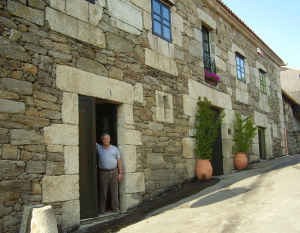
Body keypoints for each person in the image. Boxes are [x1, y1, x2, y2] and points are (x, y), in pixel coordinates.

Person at [96, 134, 123, 214]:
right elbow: (89, 141)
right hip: (103, 172)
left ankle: (115, 208)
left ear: (110, 139)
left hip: (114, 171)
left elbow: (119, 160)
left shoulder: (115, 149)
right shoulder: (99, 148)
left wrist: (120, 173)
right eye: (103, 139)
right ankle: (101, 209)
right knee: (103, 191)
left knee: (114, 191)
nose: (105, 140)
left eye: (107, 138)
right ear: (101, 140)